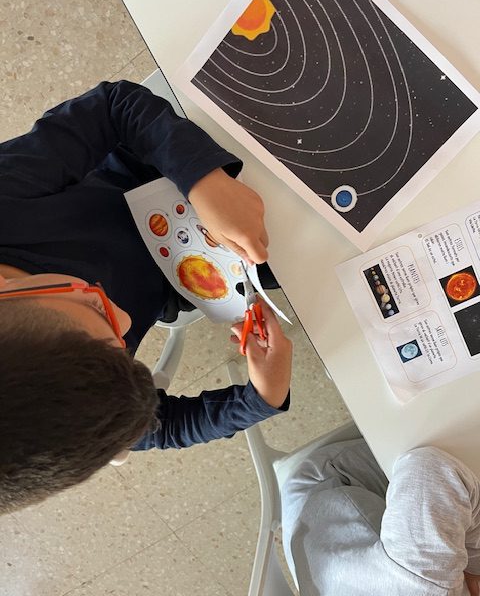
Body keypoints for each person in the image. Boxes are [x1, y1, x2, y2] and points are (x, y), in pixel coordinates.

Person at [0, 80, 292, 515]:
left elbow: (113, 106)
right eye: (123, 349)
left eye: (94, 304)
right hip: (196, 273)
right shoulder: (74, 410)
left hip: (156, 167)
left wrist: (201, 180)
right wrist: (261, 397)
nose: (125, 320)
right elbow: (162, 426)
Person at [281, 438, 480, 596]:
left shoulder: (425, 580)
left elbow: (432, 468)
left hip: (334, 481)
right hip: (322, 551)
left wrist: (475, 565)